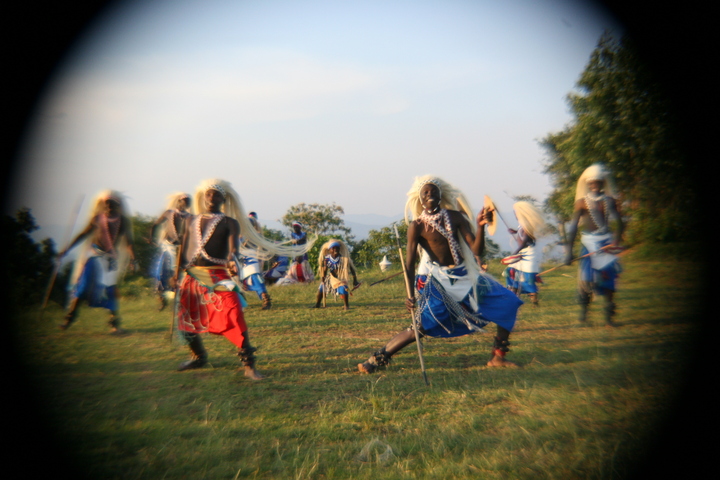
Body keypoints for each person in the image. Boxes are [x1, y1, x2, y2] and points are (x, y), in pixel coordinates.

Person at [358, 175, 523, 374]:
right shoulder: (417, 226)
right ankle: (375, 360)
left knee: (508, 302)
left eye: (433, 191)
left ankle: (498, 357)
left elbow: (476, 250)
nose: (430, 194)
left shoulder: (455, 217)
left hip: (466, 276)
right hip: (440, 282)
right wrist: (410, 295)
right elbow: (409, 264)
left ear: (440, 195)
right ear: (420, 198)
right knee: (421, 327)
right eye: (425, 192)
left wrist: (480, 226)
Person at [172, 179, 313, 379]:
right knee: (186, 318)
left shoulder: (230, 223)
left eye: (216, 195)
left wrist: (232, 260)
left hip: (218, 276)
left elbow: (233, 249)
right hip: (192, 276)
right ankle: (198, 357)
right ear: (203, 197)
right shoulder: (190, 221)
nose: (211, 198)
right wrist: (175, 274)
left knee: (234, 314)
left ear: (224, 200)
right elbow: (183, 248)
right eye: (208, 194)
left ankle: (249, 365)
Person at [59, 190, 136, 334]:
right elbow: (84, 234)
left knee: (110, 290)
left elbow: (128, 242)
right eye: (106, 204)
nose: (109, 207)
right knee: (83, 287)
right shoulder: (97, 219)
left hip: (110, 260)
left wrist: (133, 259)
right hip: (94, 257)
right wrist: (67, 249)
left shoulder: (122, 221)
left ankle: (114, 324)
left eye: (112, 204)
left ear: (118, 206)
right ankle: (69, 318)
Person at [565, 164, 624, 326]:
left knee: (608, 279)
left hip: (606, 244)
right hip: (588, 243)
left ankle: (609, 319)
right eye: (591, 183)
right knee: (586, 280)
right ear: (588, 184)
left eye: (597, 182)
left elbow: (620, 223)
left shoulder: (609, 201)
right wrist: (569, 252)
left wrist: (615, 242)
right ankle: (583, 317)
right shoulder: (581, 203)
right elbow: (573, 227)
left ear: (602, 183)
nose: (594, 186)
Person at [148, 192, 191, 310]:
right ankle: (162, 299)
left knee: (179, 274)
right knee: (161, 272)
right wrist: (151, 237)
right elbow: (156, 224)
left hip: (182, 249)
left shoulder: (190, 217)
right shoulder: (169, 213)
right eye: (185, 201)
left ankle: (179, 301)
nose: (186, 203)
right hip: (167, 247)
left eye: (188, 202)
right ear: (179, 202)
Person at [503, 201, 547, 306]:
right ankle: (514, 295)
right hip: (522, 254)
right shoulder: (523, 225)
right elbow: (522, 234)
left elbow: (524, 242)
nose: (515, 215)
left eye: (516, 213)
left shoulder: (527, 226)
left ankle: (534, 301)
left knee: (527, 277)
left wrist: (513, 254)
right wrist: (515, 231)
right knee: (511, 272)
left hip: (528, 254)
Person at [313, 239, 359, 310]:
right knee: (321, 288)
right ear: (329, 250)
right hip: (331, 278)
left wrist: (355, 280)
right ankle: (317, 304)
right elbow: (324, 270)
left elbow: (352, 269)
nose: (335, 250)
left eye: (337, 248)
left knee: (344, 289)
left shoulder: (343, 259)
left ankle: (346, 306)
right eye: (333, 248)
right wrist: (323, 279)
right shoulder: (327, 259)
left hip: (341, 278)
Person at [238, 212, 272, 309]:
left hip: (251, 258)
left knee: (255, 278)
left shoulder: (256, 235)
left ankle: (265, 298)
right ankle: (241, 300)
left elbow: (262, 247)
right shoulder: (241, 236)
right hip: (241, 258)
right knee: (238, 279)